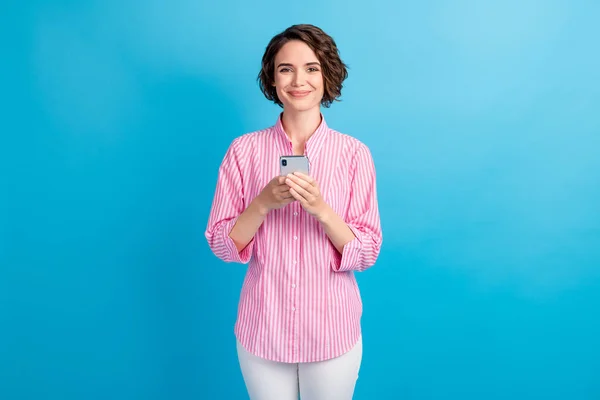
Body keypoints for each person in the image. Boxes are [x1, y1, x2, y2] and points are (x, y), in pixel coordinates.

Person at [205, 24, 383, 400]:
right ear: (272, 78)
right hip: (262, 330)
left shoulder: (354, 154)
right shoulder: (243, 151)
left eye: (311, 68)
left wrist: (321, 209)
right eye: (286, 68)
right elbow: (221, 245)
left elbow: (367, 251)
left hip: (332, 331)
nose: (298, 79)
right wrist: (263, 203)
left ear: (327, 75)